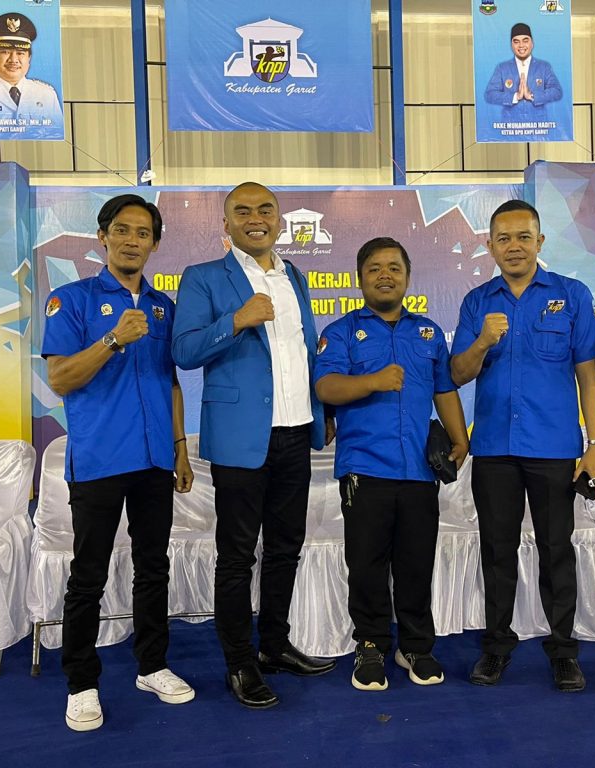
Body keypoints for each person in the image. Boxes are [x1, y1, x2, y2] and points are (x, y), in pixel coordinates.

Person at [172, 182, 336, 710]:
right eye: (242, 211)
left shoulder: (295, 276)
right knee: (237, 556)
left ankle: (274, 645)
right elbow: (184, 350)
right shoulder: (203, 277)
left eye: (265, 209)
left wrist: (323, 411)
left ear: (279, 220)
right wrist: (236, 321)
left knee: (286, 547)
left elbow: (304, 352)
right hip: (241, 439)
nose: (255, 218)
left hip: (296, 431)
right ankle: (240, 662)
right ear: (226, 224)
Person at [41, 194, 195, 732]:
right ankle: (81, 683)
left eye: (143, 232)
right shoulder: (71, 300)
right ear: (102, 237)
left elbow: (170, 382)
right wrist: (112, 339)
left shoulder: (162, 307)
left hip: (155, 460)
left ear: (155, 243)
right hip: (100, 460)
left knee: (154, 568)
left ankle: (152, 666)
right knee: (89, 575)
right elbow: (60, 379)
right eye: (123, 230)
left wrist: (180, 448)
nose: (133, 240)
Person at [451, 200, 595, 692]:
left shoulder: (572, 295)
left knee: (557, 550)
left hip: (554, 447)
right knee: (496, 551)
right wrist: (482, 342)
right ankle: (496, 647)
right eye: (504, 238)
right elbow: (457, 373)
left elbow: (589, 375)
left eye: (524, 237)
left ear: (540, 242)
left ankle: (563, 651)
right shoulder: (477, 301)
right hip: (494, 447)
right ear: (490, 245)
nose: (514, 246)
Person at [314, 237, 469, 692]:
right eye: (375, 268)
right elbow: (326, 387)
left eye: (394, 268)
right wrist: (372, 381)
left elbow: (444, 389)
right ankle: (371, 644)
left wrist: (460, 437)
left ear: (407, 277)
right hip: (365, 469)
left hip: (419, 470)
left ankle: (416, 646)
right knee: (367, 565)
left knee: (416, 562)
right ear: (360, 278)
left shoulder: (428, 332)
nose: (385, 275)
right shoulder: (341, 332)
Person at [483, 23, 563, 122]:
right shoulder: (502, 68)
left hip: (538, 124)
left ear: (532, 43)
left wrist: (532, 96)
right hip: (511, 125)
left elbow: (557, 91)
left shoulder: (544, 67)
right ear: (511, 45)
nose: (521, 45)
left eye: (525, 41)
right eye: (516, 42)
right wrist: (515, 96)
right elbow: (490, 94)